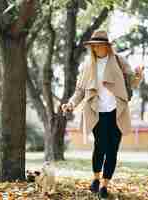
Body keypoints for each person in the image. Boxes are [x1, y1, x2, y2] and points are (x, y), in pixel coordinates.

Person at [61, 30, 143, 198]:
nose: (96, 48)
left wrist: (138, 75)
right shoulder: (88, 65)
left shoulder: (119, 61)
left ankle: (104, 186)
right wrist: (71, 104)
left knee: (112, 150)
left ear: (107, 46)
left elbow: (132, 83)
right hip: (96, 112)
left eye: (99, 45)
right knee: (100, 147)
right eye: (93, 45)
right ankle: (96, 178)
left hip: (116, 112)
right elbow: (80, 90)